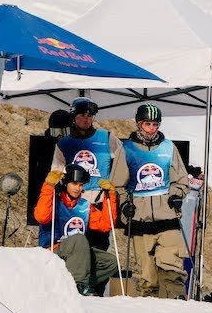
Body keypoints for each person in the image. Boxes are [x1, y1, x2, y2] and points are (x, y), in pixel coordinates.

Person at [117, 103, 191, 299]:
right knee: (148, 277)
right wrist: (125, 205)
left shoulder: (168, 148)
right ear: (139, 124)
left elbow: (182, 179)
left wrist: (176, 195)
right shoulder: (126, 149)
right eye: (147, 124)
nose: (151, 129)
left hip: (166, 216)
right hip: (140, 219)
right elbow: (118, 185)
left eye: (155, 125)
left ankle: (176, 304)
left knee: (172, 266)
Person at [33, 163, 119, 296]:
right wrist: (49, 186)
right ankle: (78, 287)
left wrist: (110, 197)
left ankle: (72, 282)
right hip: (53, 251)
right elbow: (41, 216)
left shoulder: (85, 206)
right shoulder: (54, 201)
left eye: (80, 185)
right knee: (79, 238)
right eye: (74, 184)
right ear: (66, 183)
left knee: (110, 262)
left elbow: (105, 225)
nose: (78, 188)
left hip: (76, 255)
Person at [47, 97, 127, 202]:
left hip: (101, 198)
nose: (86, 119)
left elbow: (125, 159)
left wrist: (115, 184)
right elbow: (56, 173)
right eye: (82, 116)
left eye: (89, 116)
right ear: (73, 118)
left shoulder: (106, 137)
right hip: (74, 200)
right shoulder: (63, 144)